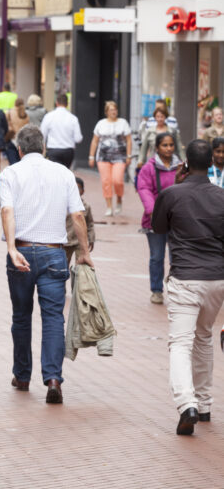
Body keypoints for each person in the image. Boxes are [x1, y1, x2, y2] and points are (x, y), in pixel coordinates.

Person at [0, 125, 93, 404]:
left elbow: (7, 211)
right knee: (53, 317)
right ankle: (53, 379)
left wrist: (11, 248)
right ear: (43, 148)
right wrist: (84, 251)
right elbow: (78, 215)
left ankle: (22, 375)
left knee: (21, 316)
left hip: (22, 250)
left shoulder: (10, 173)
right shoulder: (64, 173)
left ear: (19, 150)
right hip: (54, 253)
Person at [151, 139, 224, 436]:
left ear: (184, 164)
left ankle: (187, 404)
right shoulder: (221, 196)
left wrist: (177, 185)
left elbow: (158, 228)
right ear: (212, 162)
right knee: (204, 337)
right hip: (217, 278)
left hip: (185, 277)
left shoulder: (171, 194)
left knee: (181, 343)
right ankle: (204, 404)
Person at [137, 132, 181, 305]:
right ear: (157, 148)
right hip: (155, 219)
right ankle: (156, 290)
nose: (169, 148)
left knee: (177, 257)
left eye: (171, 145)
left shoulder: (181, 167)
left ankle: (177, 290)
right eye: (165, 145)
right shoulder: (149, 168)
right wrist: (152, 211)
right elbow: (144, 189)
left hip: (177, 220)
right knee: (156, 257)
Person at [89, 100, 132, 216]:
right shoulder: (101, 124)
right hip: (103, 157)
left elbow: (128, 140)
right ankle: (109, 207)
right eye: (111, 110)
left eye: (115, 109)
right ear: (107, 112)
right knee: (106, 181)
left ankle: (119, 199)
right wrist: (91, 156)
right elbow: (95, 141)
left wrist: (129, 155)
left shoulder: (123, 123)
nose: (114, 112)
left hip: (120, 156)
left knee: (117, 180)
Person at [40, 93, 82, 169]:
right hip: (68, 151)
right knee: (65, 172)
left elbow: (42, 135)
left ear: (56, 103)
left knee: (55, 172)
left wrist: (42, 149)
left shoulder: (49, 116)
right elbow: (78, 139)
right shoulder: (73, 118)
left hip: (53, 150)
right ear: (67, 104)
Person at [63, 177, 95, 267]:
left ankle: (78, 276)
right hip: (66, 241)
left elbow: (90, 224)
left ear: (83, 191)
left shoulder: (86, 206)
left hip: (80, 241)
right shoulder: (63, 205)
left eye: (78, 188)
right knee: (63, 266)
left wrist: (91, 239)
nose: (76, 191)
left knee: (81, 266)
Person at [4, 97, 30, 165]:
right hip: (23, 141)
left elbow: (6, 126)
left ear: (15, 103)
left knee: (13, 164)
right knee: (22, 164)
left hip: (12, 139)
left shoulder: (9, 113)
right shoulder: (26, 114)